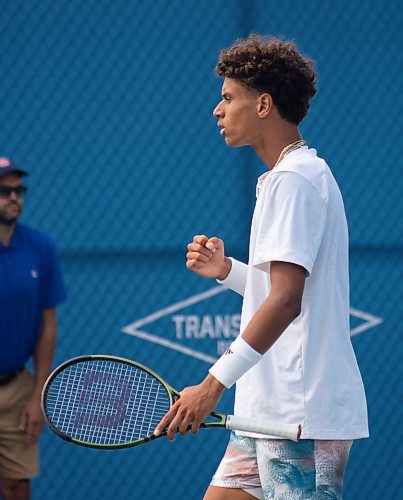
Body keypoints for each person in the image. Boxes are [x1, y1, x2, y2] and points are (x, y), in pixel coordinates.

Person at [154, 36, 368, 499]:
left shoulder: (295, 179)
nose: (218, 109)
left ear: (264, 104)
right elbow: (286, 290)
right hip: (264, 414)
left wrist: (212, 384)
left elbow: (287, 300)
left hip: (300, 421)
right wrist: (227, 270)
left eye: (229, 98)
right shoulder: (285, 177)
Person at [0, 157, 67, 500]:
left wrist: (37, 393)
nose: (14, 197)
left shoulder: (41, 248)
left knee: (16, 485)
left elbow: (48, 327)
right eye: (4, 191)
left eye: (19, 190)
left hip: (15, 389)